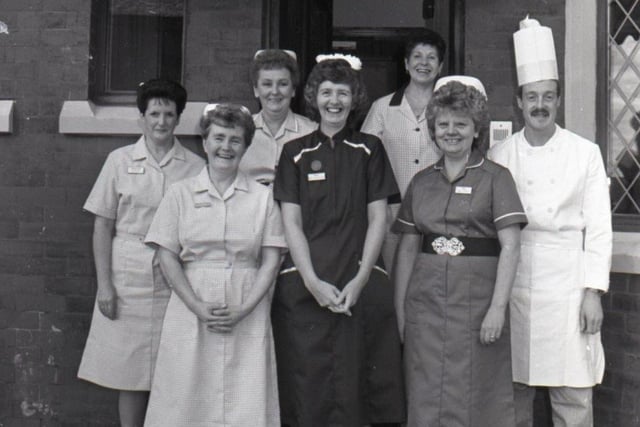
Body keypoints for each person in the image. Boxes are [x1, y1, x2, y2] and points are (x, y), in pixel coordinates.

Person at [488, 16, 612, 427]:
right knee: (515, 393)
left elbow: (598, 228)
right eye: (532, 97)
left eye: (548, 96)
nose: (540, 105)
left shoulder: (585, 153)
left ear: (558, 100)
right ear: (519, 101)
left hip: (569, 290)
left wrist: (593, 292)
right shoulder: (500, 155)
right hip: (517, 282)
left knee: (573, 397)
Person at [272, 54, 405, 427]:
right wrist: (312, 282)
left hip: (357, 285)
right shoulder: (294, 152)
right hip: (305, 286)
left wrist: (361, 279)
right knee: (308, 388)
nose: (334, 101)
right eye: (327, 92)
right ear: (313, 96)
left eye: (343, 93)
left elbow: (380, 216)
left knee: (358, 384)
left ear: (354, 98)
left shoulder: (370, 149)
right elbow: (291, 223)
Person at [393, 76, 527, 426]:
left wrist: (498, 308)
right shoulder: (421, 182)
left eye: (461, 124)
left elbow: (511, 246)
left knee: (479, 395)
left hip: (478, 306)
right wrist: (400, 311)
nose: (451, 131)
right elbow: (407, 249)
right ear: (433, 129)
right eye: (443, 124)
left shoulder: (497, 178)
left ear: (476, 129)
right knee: (424, 393)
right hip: (426, 306)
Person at [143, 103, 286, 426]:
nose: (226, 147)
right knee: (187, 393)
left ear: (246, 147)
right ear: (205, 142)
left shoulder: (262, 198)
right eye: (219, 138)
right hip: (191, 302)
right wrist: (195, 305)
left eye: (235, 140)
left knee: (244, 396)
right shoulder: (180, 194)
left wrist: (245, 308)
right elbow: (167, 255)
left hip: (246, 302)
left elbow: (271, 259)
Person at [77, 79, 205, 426]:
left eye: (169, 114)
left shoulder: (195, 166)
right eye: (154, 114)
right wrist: (105, 286)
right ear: (141, 118)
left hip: (174, 278)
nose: (161, 122)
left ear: (179, 119)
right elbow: (102, 226)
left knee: (172, 368)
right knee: (130, 373)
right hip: (127, 277)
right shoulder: (119, 161)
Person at [361, 29, 446, 273]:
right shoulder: (383, 108)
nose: (424, 63)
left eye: (431, 57)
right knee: (394, 282)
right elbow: (366, 163)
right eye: (417, 56)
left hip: (437, 214)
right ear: (406, 64)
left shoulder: (446, 110)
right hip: (391, 217)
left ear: (440, 66)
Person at [241, 49, 317, 185]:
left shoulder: (313, 133)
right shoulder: (240, 131)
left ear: (293, 90)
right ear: (256, 90)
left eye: (283, 84)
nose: (275, 91)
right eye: (267, 84)